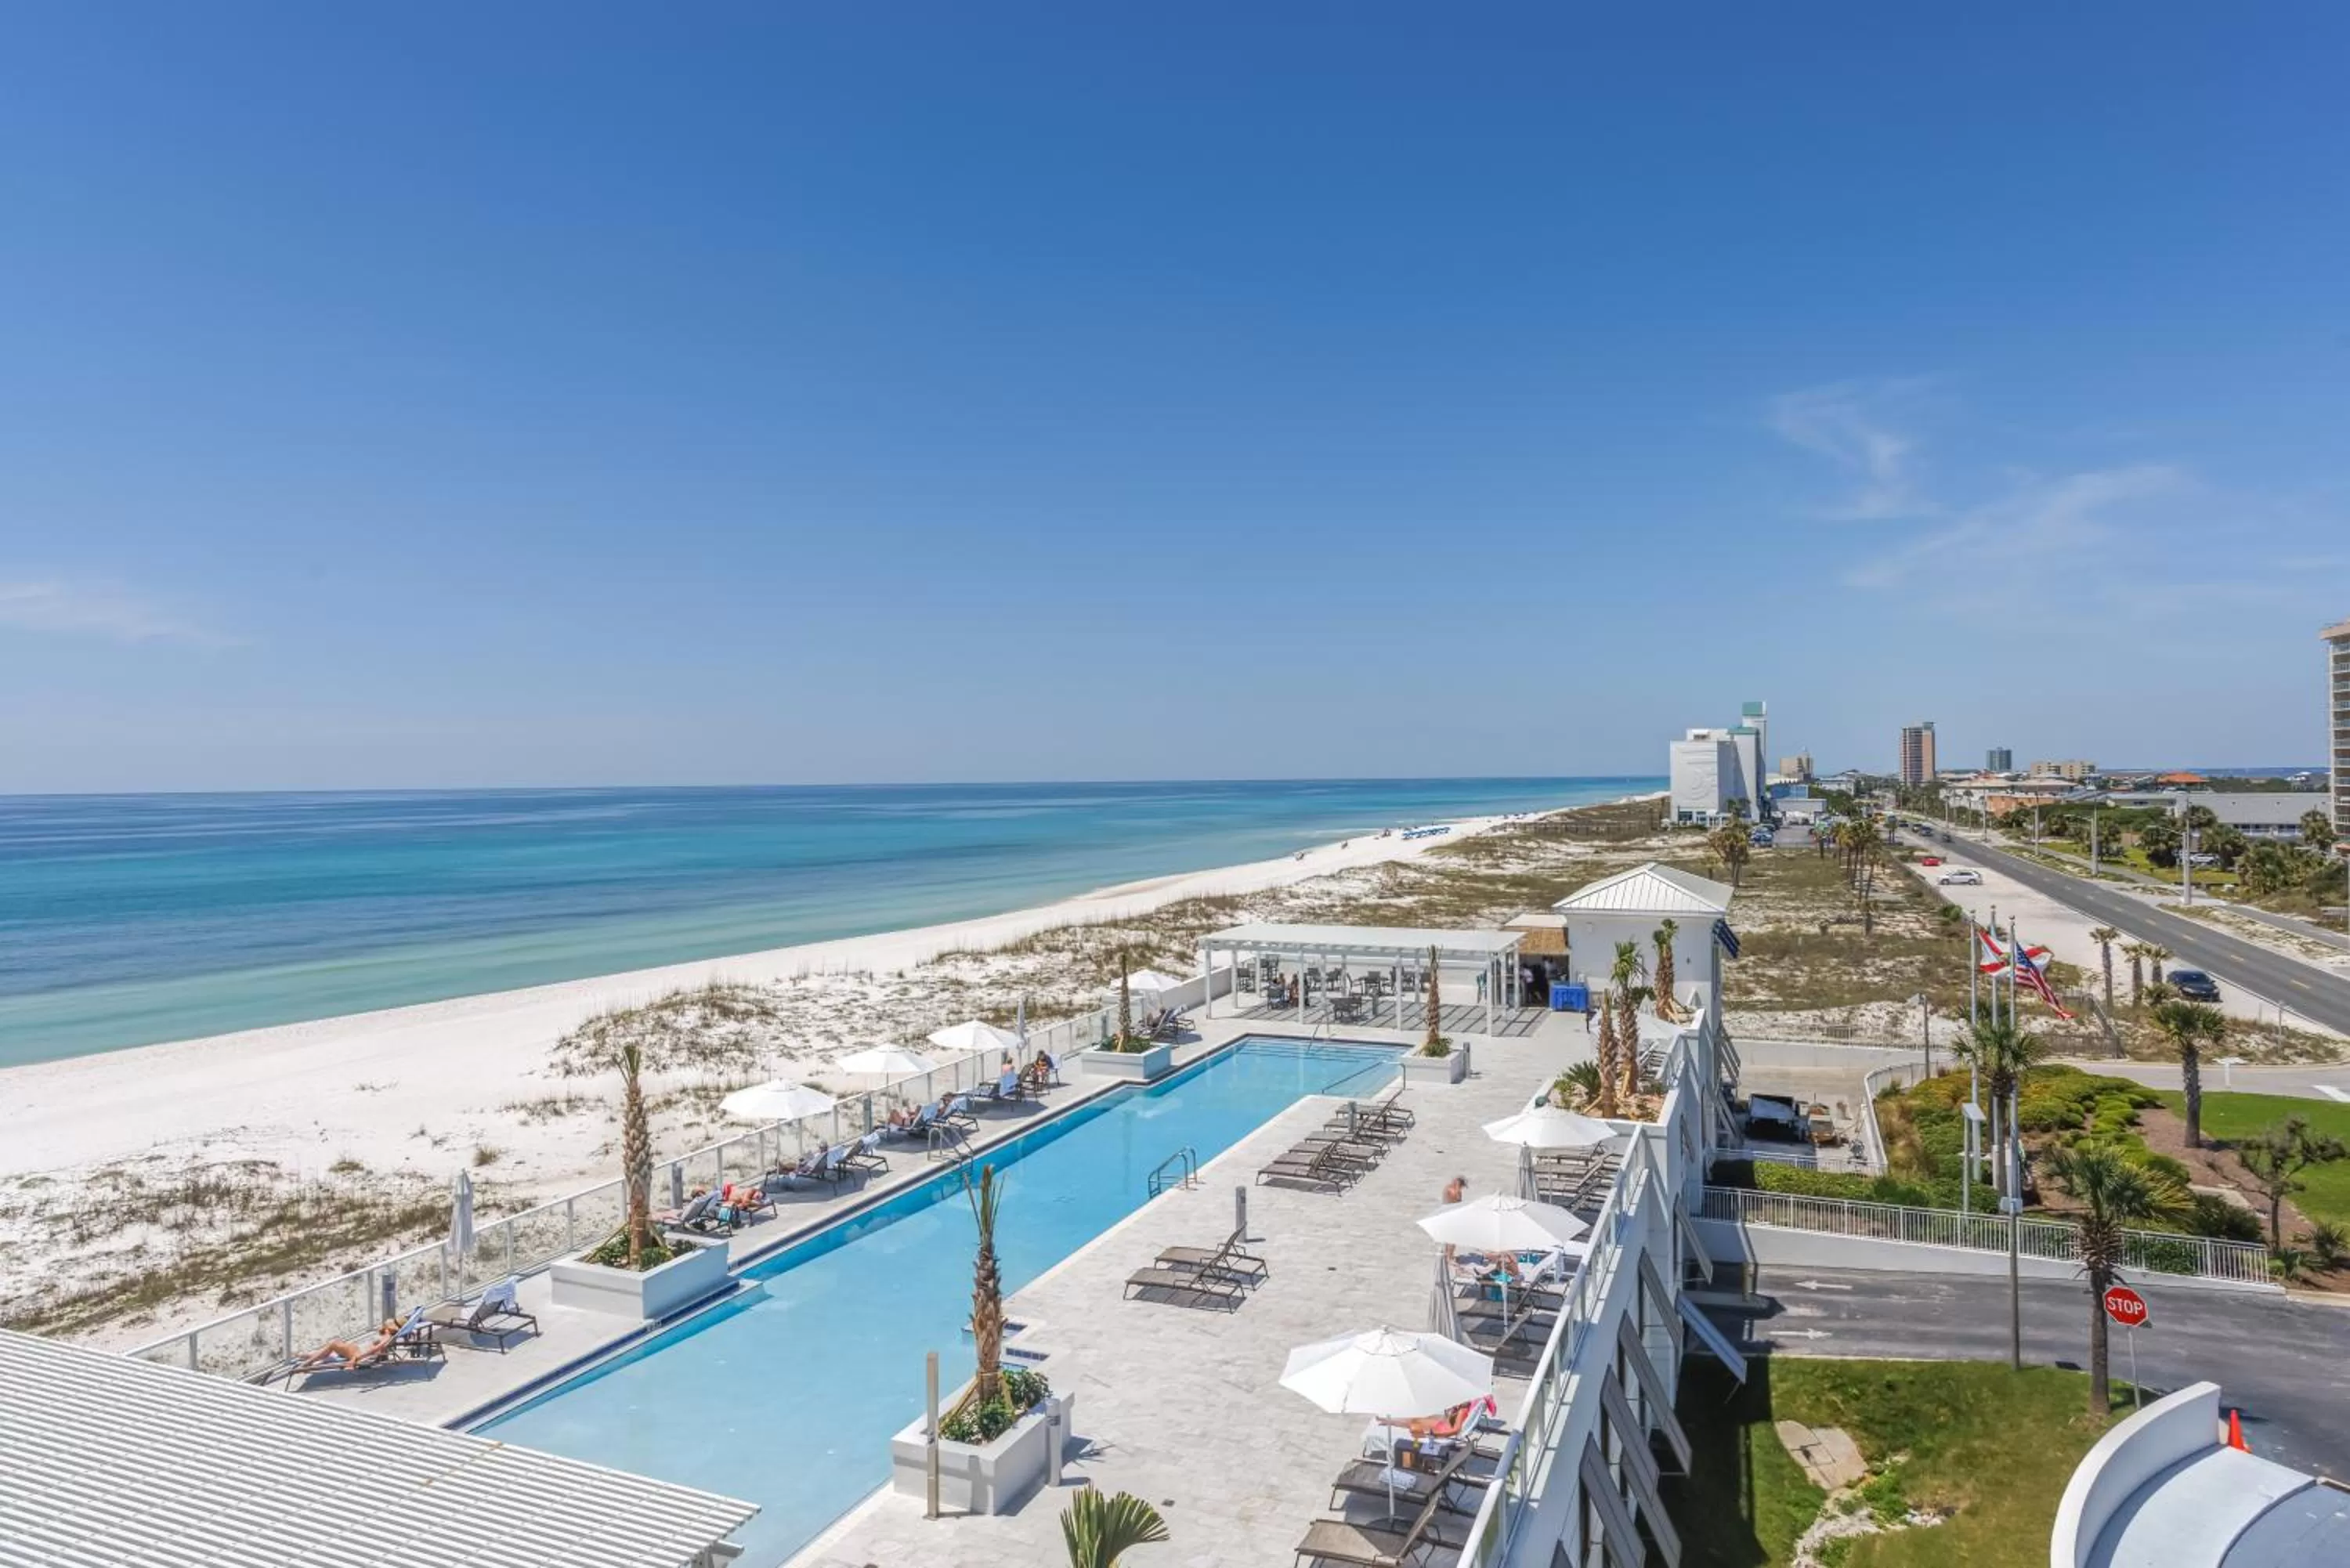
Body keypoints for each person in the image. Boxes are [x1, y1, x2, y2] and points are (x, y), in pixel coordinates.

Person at [297, 1317, 401, 1370]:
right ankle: (308, 1356)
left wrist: (355, 1359)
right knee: (333, 1347)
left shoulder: (386, 1337)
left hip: (358, 1353)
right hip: (357, 1350)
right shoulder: (386, 1336)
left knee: (334, 1343)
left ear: (390, 1329)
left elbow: (375, 1350)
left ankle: (308, 1363)